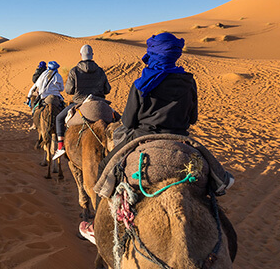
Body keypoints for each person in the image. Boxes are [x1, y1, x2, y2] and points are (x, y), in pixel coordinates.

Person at [79, 32, 199, 244]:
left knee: (106, 166)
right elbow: (193, 118)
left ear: (153, 53)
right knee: (207, 165)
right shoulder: (188, 81)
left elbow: (128, 122)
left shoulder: (143, 83)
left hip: (143, 135)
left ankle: (98, 226)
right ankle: (221, 182)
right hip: (179, 137)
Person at [52, 44, 111, 160]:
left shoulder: (74, 71)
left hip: (80, 103)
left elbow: (69, 90)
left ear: (80, 55)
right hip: (99, 102)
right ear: (92, 55)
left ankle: (60, 147)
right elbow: (107, 89)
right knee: (119, 120)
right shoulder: (100, 71)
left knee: (59, 118)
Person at [27, 61, 64, 129]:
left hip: (44, 96)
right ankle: (64, 125)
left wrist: (29, 96)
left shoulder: (43, 75)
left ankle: (35, 124)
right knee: (63, 108)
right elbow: (62, 89)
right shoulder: (58, 76)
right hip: (56, 97)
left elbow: (36, 85)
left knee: (35, 108)